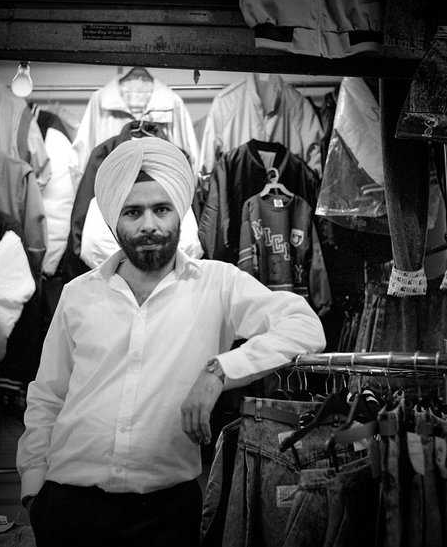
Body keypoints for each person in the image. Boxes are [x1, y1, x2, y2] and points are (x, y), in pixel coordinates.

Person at [16, 137, 325, 546]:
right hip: (68, 508)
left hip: (166, 514)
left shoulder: (217, 284)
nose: (149, 225)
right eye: (133, 212)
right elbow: (47, 398)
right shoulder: (78, 293)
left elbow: (304, 326)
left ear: (179, 211)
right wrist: (34, 491)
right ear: (114, 220)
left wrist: (218, 372)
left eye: (161, 209)